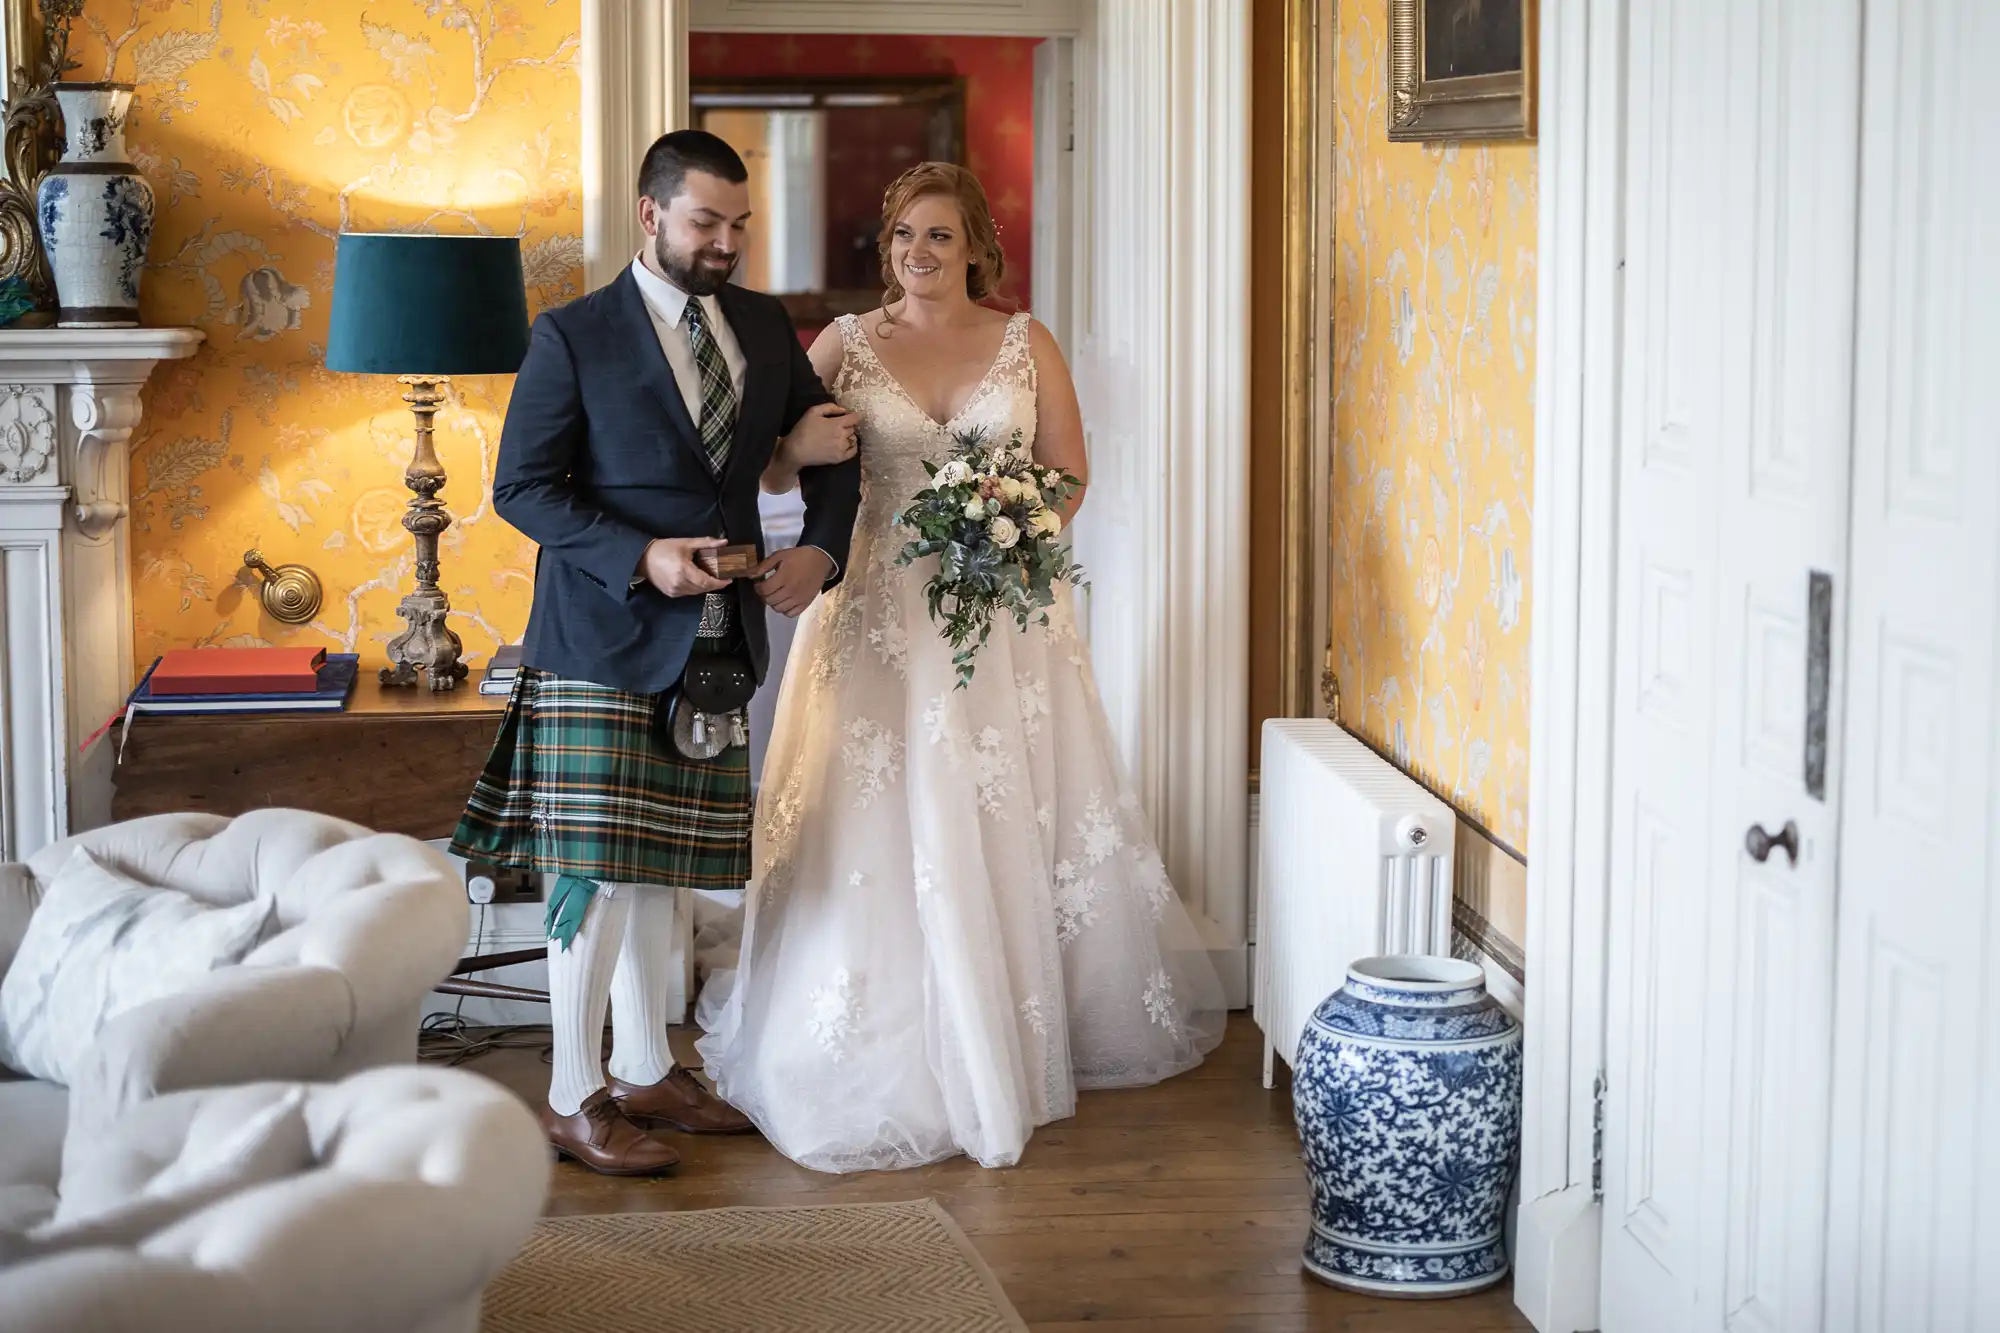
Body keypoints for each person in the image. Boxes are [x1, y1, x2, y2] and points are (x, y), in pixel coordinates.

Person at [698, 162, 1226, 1173]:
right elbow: (769, 466)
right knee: (876, 810)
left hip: (999, 617)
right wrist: (793, 447)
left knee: (994, 803)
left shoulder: (1026, 344)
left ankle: (1008, 1024)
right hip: (874, 610)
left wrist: (1017, 525)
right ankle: (869, 1030)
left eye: (937, 237)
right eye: (901, 237)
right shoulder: (843, 346)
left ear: (976, 246)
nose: (916, 255)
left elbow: (1068, 472)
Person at [450, 130, 861, 1175]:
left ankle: (641, 1064)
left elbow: (832, 448)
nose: (725, 244)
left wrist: (819, 549)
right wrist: (642, 554)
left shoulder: (765, 327)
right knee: (592, 871)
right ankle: (569, 1093)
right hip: (597, 634)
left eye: (739, 226)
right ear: (650, 215)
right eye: (703, 224)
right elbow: (523, 490)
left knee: (658, 871)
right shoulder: (572, 336)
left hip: (715, 643)